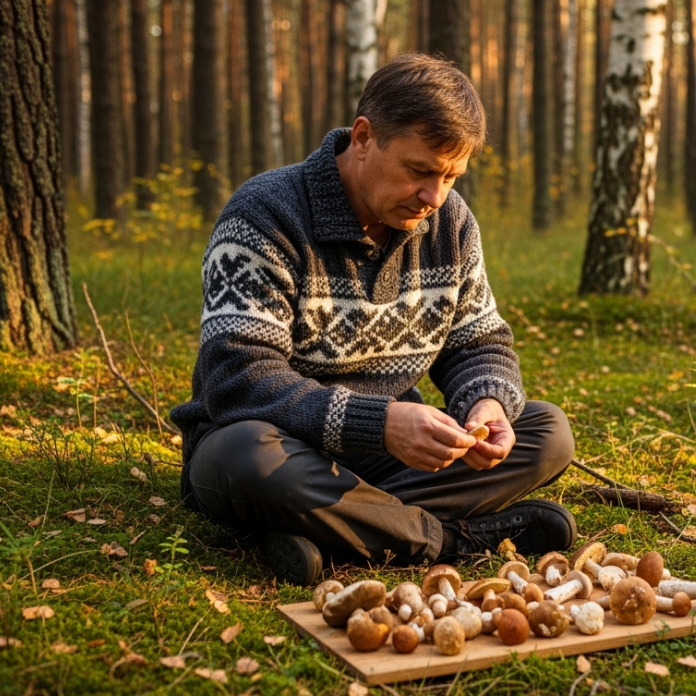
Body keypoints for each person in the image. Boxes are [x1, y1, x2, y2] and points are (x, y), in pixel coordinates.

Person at [170, 53, 577, 585]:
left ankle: (335, 528)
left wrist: (487, 403)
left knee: (548, 433)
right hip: (271, 449)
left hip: (383, 458)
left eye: (451, 177)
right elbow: (240, 379)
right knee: (248, 459)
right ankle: (451, 540)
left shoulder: (449, 223)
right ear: (363, 138)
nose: (434, 196)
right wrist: (378, 423)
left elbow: (479, 344)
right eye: (419, 171)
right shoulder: (263, 217)